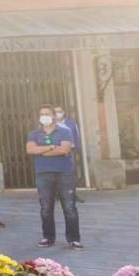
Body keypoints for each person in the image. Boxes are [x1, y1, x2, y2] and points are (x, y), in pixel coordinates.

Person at [27, 104, 83, 250]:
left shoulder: (65, 131)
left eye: (47, 113)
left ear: (53, 116)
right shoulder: (34, 134)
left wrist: (42, 151)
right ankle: (48, 237)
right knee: (46, 207)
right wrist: (52, 147)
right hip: (43, 173)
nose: (44, 116)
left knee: (69, 206)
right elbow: (30, 149)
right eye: (41, 114)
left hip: (64, 173)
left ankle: (74, 239)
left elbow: (65, 149)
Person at [55, 105, 86, 202]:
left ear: (63, 112)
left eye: (59, 111)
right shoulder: (51, 125)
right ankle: (58, 194)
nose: (58, 114)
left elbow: (76, 136)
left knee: (70, 173)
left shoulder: (71, 124)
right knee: (57, 173)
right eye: (55, 112)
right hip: (56, 151)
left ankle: (72, 194)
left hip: (69, 151)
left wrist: (75, 148)